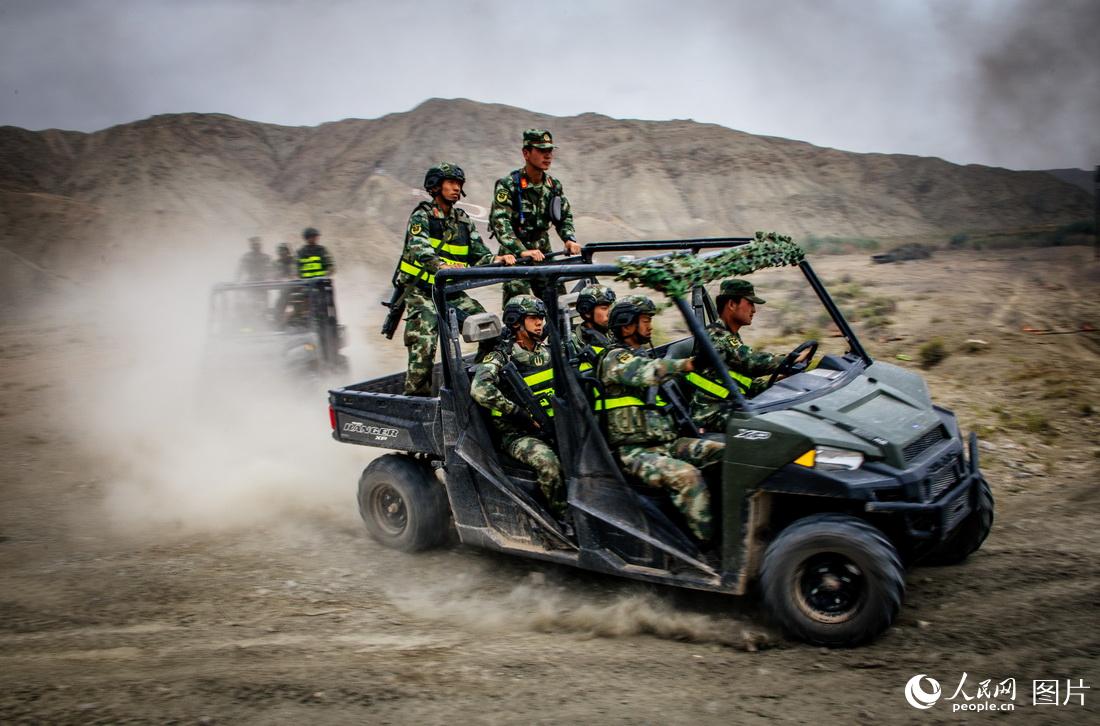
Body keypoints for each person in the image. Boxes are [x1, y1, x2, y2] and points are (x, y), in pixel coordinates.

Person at [596, 295, 724, 543]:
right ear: (626, 325)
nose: (650, 326)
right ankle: (706, 548)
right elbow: (645, 373)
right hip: (635, 452)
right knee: (688, 476)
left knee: (726, 454)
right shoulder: (614, 359)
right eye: (645, 320)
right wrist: (689, 364)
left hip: (667, 443)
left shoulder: (643, 353)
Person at [397, 162, 516, 396]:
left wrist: (497, 259)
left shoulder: (462, 220)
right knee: (426, 340)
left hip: (450, 292)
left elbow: (479, 254)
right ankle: (417, 401)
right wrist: (442, 266)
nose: (456, 188)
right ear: (435, 186)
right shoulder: (422, 217)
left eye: (459, 184)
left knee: (489, 328)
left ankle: (478, 383)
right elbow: (421, 250)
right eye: (451, 183)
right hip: (423, 292)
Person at [470, 295, 565, 517]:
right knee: (548, 463)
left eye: (541, 318)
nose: (540, 322)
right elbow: (479, 389)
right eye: (533, 318)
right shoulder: (501, 356)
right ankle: (561, 518)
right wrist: (516, 412)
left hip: (549, 425)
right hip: (515, 434)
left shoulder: (546, 352)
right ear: (516, 322)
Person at [687, 278, 810, 432]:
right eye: (750, 303)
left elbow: (744, 381)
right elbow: (751, 362)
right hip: (710, 414)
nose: (754, 310)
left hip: (730, 404)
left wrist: (776, 382)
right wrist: (790, 359)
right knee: (772, 426)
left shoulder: (730, 336)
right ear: (732, 304)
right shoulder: (716, 336)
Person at [489, 129, 582, 304]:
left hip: (542, 252)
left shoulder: (553, 186)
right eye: (541, 151)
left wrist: (569, 238)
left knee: (560, 304)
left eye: (550, 151)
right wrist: (521, 250)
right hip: (515, 256)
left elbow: (563, 216)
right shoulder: (509, 185)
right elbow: (500, 222)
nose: (547, 156)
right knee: (520, 308)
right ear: (526, 153)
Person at [570, 284, 616, 359]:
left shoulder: (614, 332)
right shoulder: (572, 342)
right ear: (587, 312)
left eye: (611, 307)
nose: (610, 313)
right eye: (604, 308)